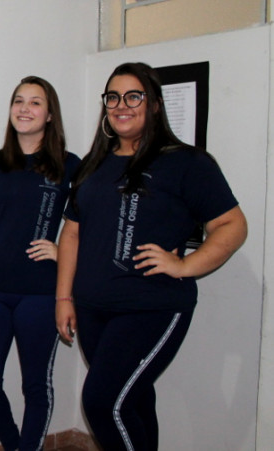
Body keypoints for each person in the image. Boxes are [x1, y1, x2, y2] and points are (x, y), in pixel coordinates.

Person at [55, 63, 247, 451]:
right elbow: (72, 233)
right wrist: (63, 297)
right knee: (134, 401)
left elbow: (232, 225)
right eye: (113, 97)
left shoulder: (186, 163)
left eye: (133, 96)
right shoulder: (94, 163)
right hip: (93, 309)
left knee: (103, 402)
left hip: (151, 306)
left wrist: (185, 265)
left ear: (155, 104)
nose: (121, 105)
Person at [0, 76, 79, 451]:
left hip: (41, 294)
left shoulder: (70, 167)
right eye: (18, 101)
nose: (24, 109)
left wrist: (62, 252)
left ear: (49, 115)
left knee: (35, 386)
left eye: (35, 102)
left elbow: (91, 227)